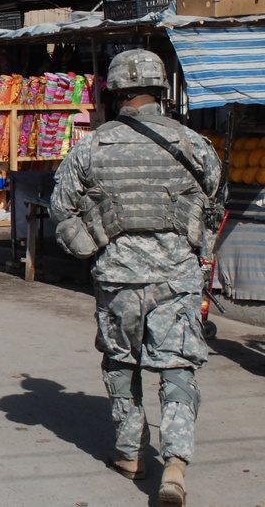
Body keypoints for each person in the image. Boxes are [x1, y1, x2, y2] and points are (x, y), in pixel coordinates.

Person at [49, 49, 221, 507]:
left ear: (117, 92)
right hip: (177, 279)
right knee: (178, 368)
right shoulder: (194, 144)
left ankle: (130, 454)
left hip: (118, 279)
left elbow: (61, 210)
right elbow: (215, 207)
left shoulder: (90, 147)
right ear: (161, 91)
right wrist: (196, 254)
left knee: (122, 363)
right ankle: (176, 465)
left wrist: (93, 249)